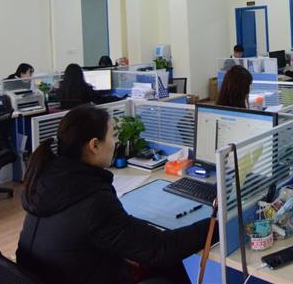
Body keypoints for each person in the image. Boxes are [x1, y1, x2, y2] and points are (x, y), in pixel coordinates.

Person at [17, 106, 212, 284]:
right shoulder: (93, 200)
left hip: (61, 275)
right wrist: (216, 225)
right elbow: (161, 248)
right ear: (94, 145)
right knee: (168, 263)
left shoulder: (46, 180)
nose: (116, 142)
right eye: (113, 136)